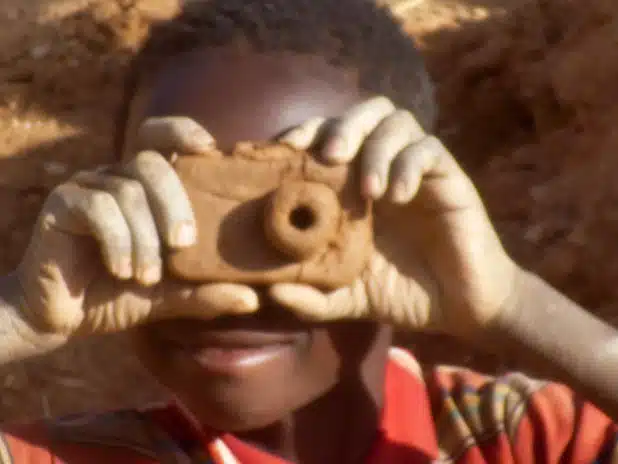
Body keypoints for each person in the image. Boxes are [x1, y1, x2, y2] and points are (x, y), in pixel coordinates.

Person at [1, 0, 618, 462]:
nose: (230, 282)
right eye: (177, 209)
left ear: (403, 211)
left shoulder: (521, 441)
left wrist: (509, 302)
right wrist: (19, 315)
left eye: (294, 218)